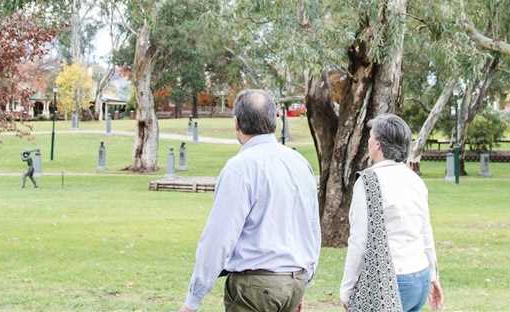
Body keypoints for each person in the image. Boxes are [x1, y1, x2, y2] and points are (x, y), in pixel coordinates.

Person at [180, 89, 320, 312]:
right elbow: (311, 228)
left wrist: (193, 300)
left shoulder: (240, 167)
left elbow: (219, 237)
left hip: (255, 288)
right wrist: (303, 280)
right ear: (275, 120)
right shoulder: (300, 163)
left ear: (236, 123)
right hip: (293, 281)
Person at [340, 114, 443, 312]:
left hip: (390, 282)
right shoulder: (414, 180)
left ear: (377, 145)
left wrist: (347, 288)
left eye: (370, 137)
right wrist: (432, 275)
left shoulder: (368, 182)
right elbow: (425, 231)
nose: (368, 141)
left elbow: (359, 240)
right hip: (419, 277)